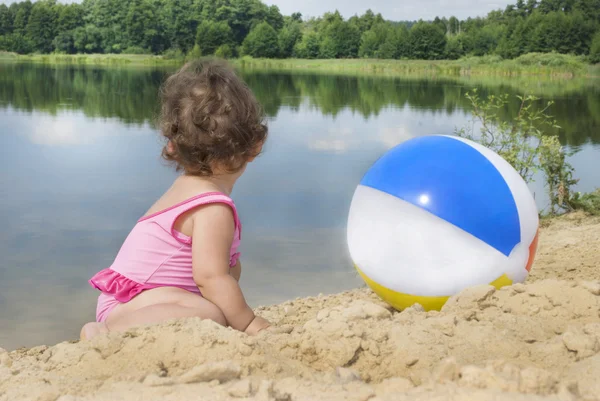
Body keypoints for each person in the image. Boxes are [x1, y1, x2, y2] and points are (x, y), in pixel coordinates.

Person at [80, 58, 271, 340]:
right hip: (134, 306)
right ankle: (105, 333)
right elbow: (210, 278)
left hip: (138, 300)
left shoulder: (185, 188)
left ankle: (112, 327)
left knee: (218, 291)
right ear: (256, 145)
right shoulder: (212, 208)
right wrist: (249, 323)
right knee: (211, 314)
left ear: (173, 146)